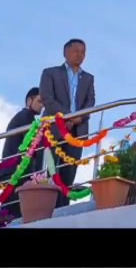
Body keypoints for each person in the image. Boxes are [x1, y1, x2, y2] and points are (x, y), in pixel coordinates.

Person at [39, 38, 95, 207]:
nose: (80, 55)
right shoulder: (50, 73)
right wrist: (69, 115)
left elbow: (90, 102)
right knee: (48, 169)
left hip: (77, 131)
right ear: (65, 53)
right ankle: (45, 206)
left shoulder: (89, 78)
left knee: (69, 172)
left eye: (83, 52)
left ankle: (62, 207)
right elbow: (47, 99)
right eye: (76, 51)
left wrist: (78, 118)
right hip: (53, 129)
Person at [0, 88, 45, 222]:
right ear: (29, 101)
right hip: (17, 170)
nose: (42, 106)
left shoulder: (22, 117)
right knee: (14, 212)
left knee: (9, 210)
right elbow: (32, 143)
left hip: (12, 169)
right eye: (39, 101)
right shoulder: (26, 117)